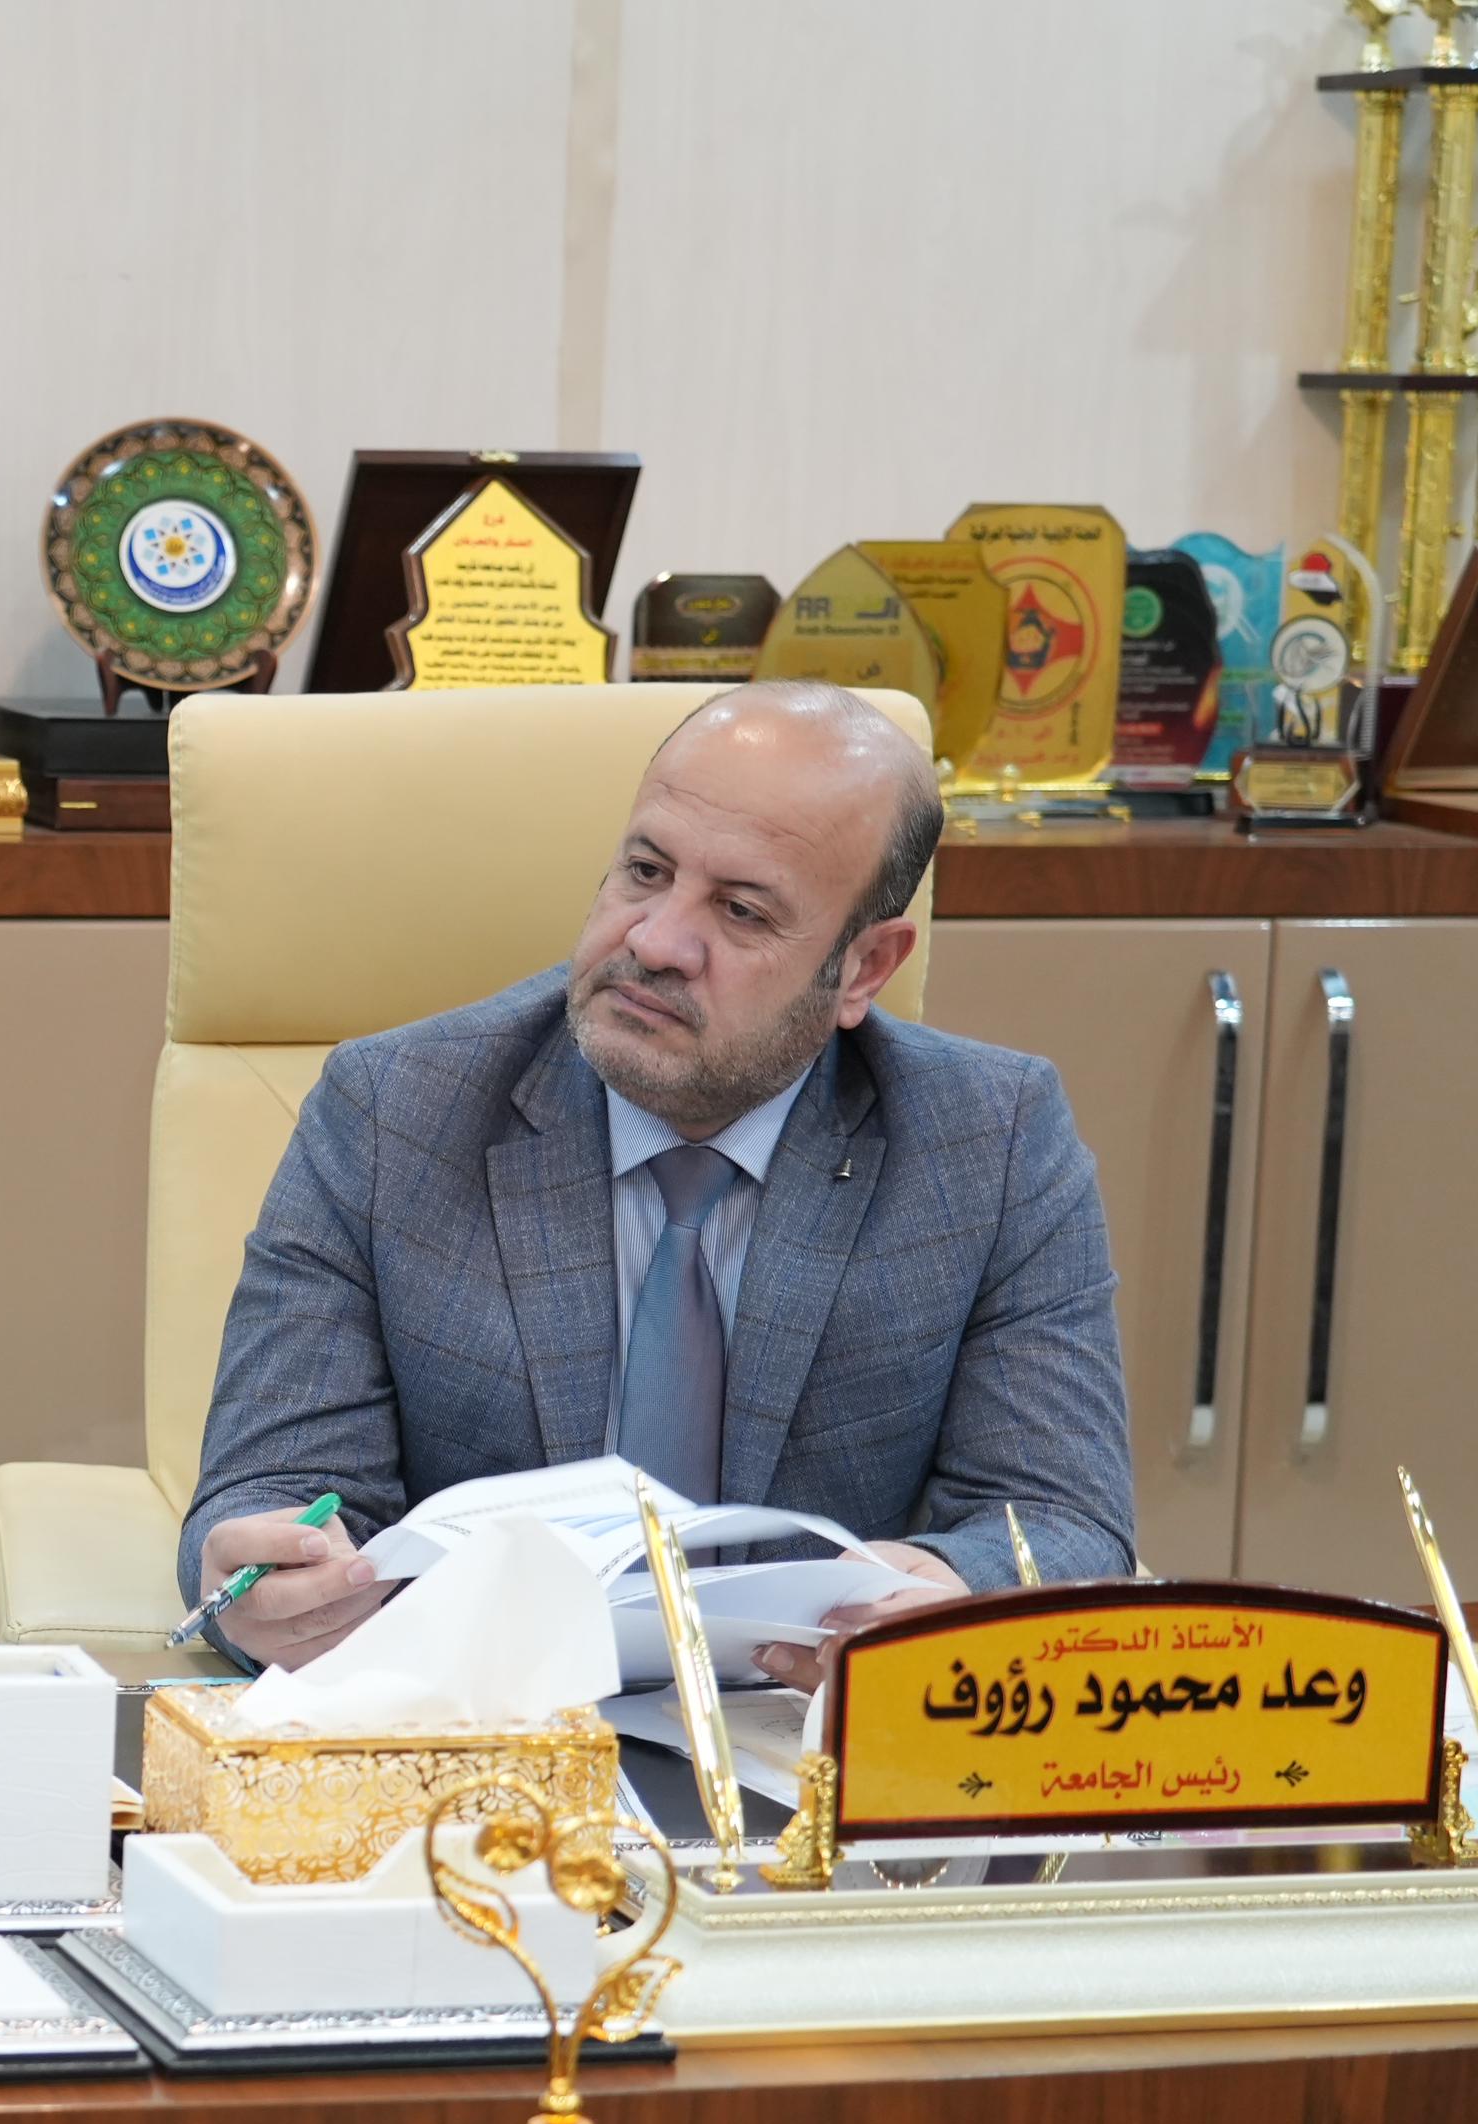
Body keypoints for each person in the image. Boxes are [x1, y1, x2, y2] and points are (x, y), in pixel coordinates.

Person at [183, 680, 1132, 1678]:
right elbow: (274, 1489)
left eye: (741, 910)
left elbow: (1062, 1520)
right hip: (482, 1721)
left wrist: (939, 1591)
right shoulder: (393, 1112)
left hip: (800, 1732)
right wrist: (266, 1583)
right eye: (645, 872)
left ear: (862, 969)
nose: (653, 941)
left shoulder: (988, 1141)